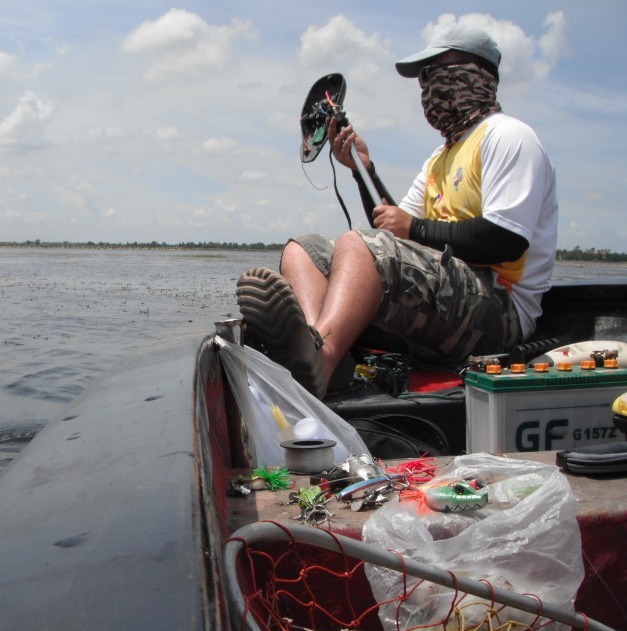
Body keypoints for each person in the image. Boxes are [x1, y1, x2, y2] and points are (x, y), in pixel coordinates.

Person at [236, 23, 558, 399]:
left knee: (358, 245)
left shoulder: (508, 136)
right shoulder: (439, 159)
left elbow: (505, 241)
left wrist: (415, 229)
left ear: (474, 72)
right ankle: (318, 351)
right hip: (445, 301)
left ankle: (320, 358)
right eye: (424, 78)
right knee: (303, 250)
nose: (427, 87)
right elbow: (390, 234)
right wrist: (363, 172)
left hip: (500, 312)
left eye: (435, 72)